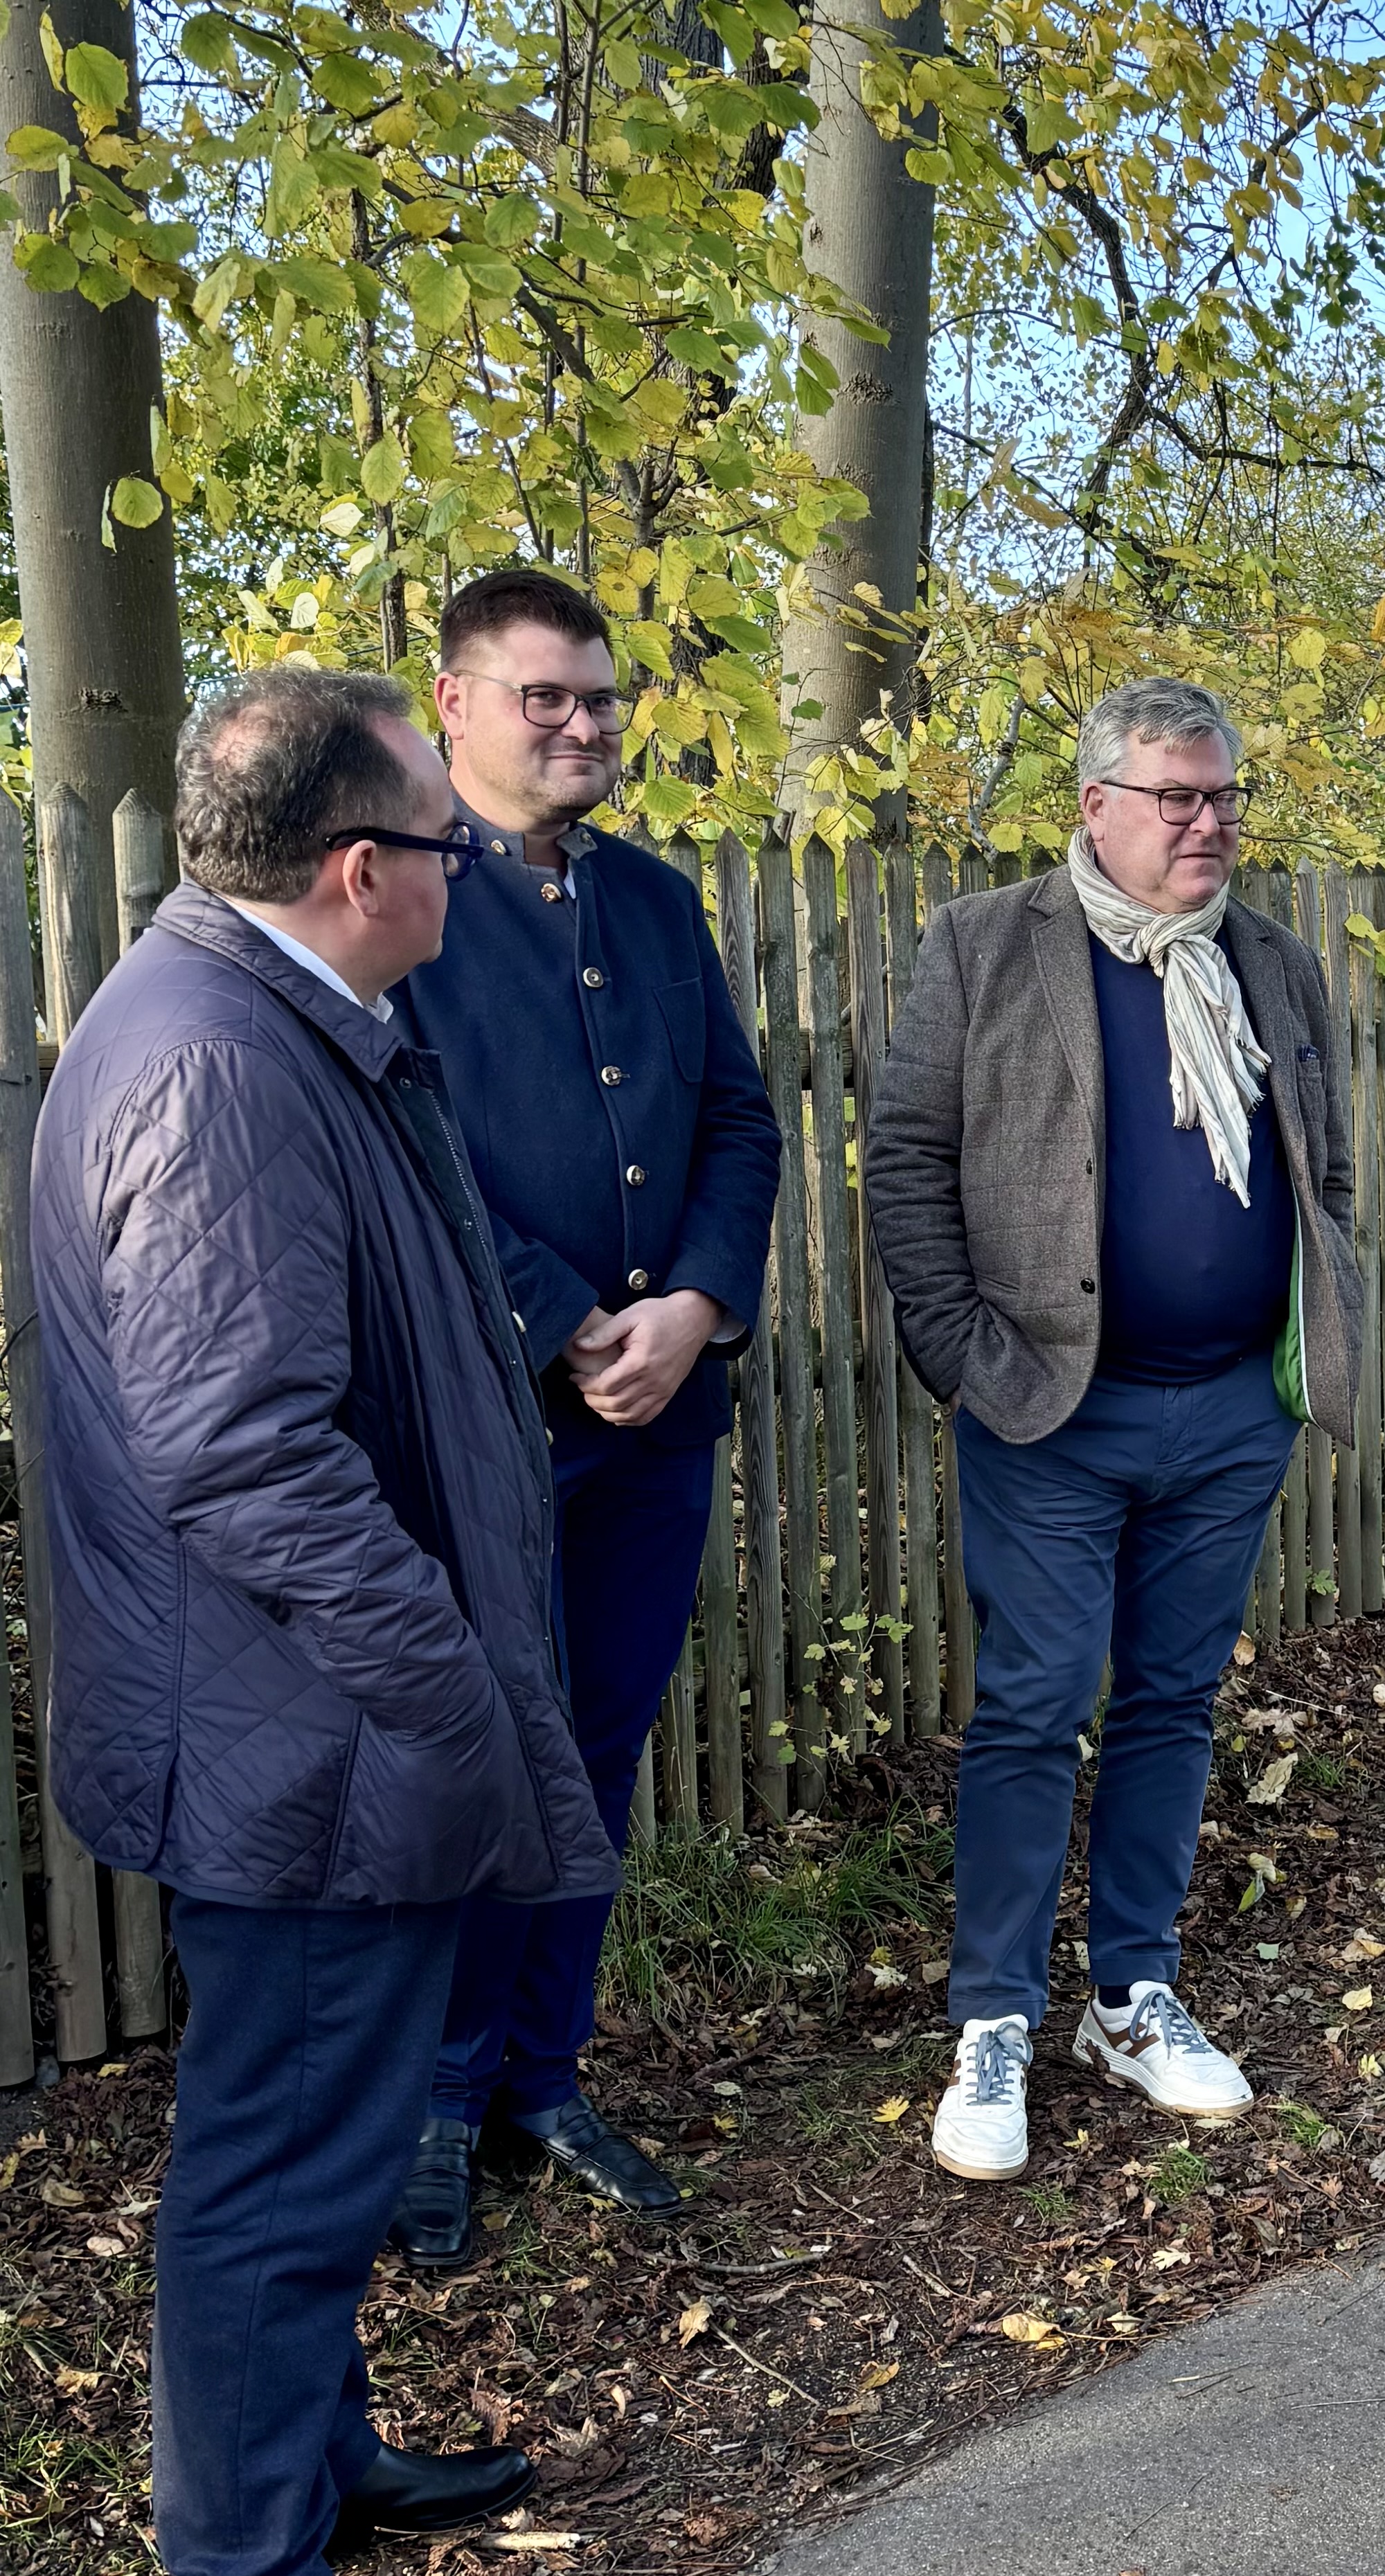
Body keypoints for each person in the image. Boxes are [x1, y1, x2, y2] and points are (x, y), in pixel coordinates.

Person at [30, 670, 614, 2576]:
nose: (469, 867)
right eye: (442, 844)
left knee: (327, 2129)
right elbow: (240, 1446)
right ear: (365, 870)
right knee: (277, 2152)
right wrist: (442, 1683)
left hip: (318, 1723)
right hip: (303, 1739)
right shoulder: (217, 1065)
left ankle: (318, 2459)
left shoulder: (273, 1020)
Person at [863, 676, 1364, 2186]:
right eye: (1178, 799)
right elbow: (906, 1156)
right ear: (1097, 808)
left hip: (1228, 1414)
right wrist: (963, 1356)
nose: (1210, 823)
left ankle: (1132, 1993)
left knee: (1172, 1699)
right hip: (1049, 1408)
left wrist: (1307, 1320)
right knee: (1031, 1705)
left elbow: (1323, 1161)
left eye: (1224, 798)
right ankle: (996, 2016)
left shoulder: (1269, 961)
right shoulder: (986, 944)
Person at [386, 569, 782, 2265]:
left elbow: (741, 1123)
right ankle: (433, 2104)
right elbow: (414, 1150)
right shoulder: (401, 897)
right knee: (486, 1756)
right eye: (544, 695)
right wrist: (570, 1326)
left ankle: (545, 2073)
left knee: (603, 1745)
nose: (582, 723)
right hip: (490, 1418)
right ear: (455, 703)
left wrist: (693, 1309)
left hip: (659, 1416)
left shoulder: (655, 900)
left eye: (602, 697)